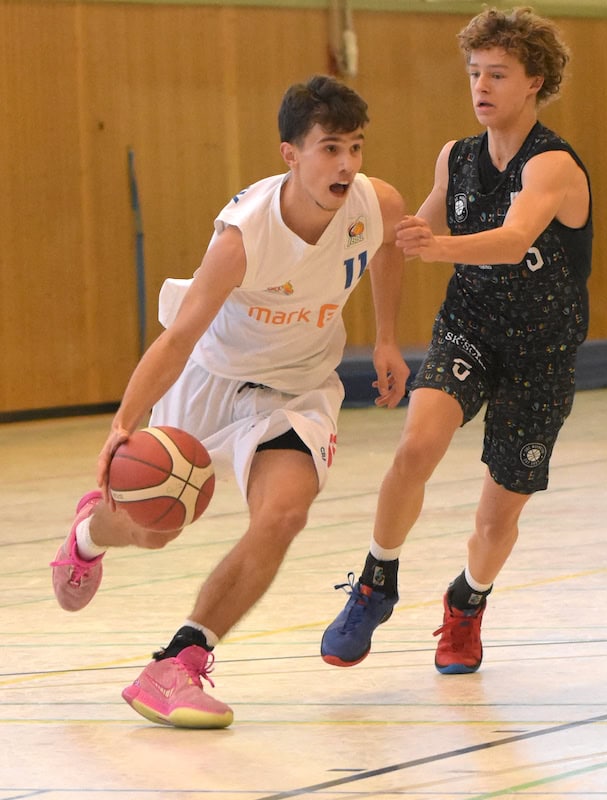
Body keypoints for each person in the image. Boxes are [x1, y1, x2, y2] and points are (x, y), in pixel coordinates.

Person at [50, 74, 410, 728]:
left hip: (297, 384)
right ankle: (87, 533)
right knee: (152, 527)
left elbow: (388, 248)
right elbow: (179, 336)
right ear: (289, 154)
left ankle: (179, 662)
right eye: (329, 148)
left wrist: (386, 338)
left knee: (282, 515)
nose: (346, 164)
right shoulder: (244, 236)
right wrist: (122, 425)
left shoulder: (373, 201)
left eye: (355, 147)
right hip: (212, 374)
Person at [321, 6, 592, 675]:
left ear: (532, 82)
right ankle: (374, 583)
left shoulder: (550, 164)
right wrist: (384, 336)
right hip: (467, 329)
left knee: (495, 518)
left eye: (497, 73)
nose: (481, 85)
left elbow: (511, 240)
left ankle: (466, 603)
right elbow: (404, 235)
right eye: (475, 72)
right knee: (415, 446)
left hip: (541, 353)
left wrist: (436, 247)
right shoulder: (456, 157)